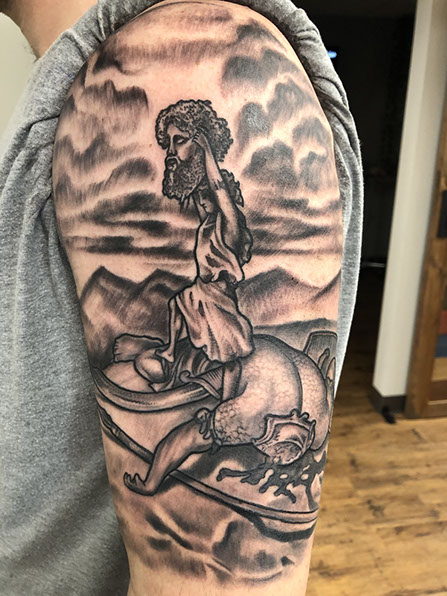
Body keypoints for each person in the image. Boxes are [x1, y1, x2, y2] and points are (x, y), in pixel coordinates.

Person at [0, 1, 363, 595]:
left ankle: (174, 368)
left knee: (190, 311)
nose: (172, 157)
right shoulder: (110, 67)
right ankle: (174, 365)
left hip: (215, 296)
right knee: (182, 312)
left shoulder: (180, 55)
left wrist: (210, 175)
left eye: (179, 145)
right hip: (209, 297)